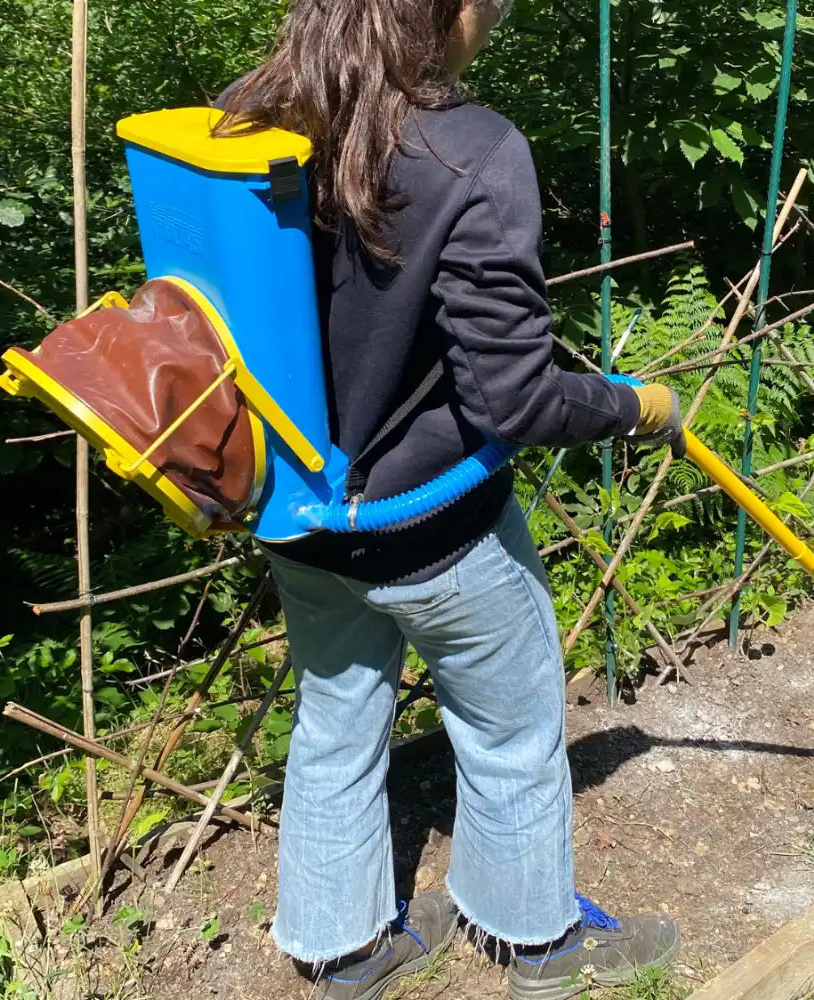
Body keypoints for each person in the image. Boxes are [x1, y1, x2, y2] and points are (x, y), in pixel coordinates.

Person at [216, 1, 686, 997]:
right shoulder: (472, 150)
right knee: (512, 732)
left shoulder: (248, 118)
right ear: (449, 11)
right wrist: (636, 405)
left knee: (336, 718)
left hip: (298, 518)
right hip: (430, 527)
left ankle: (340, 954)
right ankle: (539, 949)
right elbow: (513, 396)